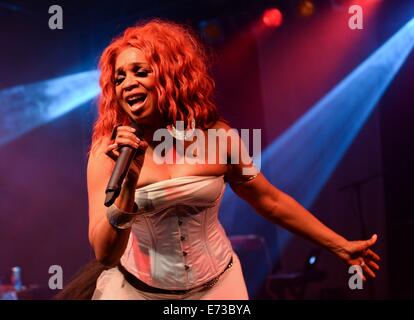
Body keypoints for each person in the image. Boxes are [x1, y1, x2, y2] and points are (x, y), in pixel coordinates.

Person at [85, 19, 380, 300]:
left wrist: (340, 245)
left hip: (218, 287)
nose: (127, 84)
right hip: (140, 291)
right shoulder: (109, 152)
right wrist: (128, 185)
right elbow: (105, 254)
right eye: (119, 78)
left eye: (140, 71)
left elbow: (270, 200)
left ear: (168, 74)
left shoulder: (218, 137)